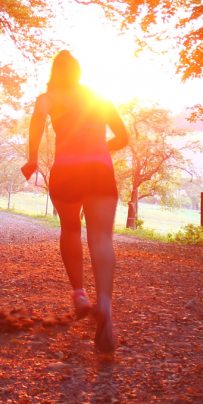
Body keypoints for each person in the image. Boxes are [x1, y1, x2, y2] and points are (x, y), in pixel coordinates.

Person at [21, 50, 129, 354]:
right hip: (99, 169)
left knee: (70, 228)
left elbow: (37, 125)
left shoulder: (48, 97)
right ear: (79, 73)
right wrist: (97, 148)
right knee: (101, 237)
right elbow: (123, 138)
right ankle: (104, 305)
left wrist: (31, 159)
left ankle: (80, 295)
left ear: (55, 72)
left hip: (66, 170)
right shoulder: (99, 98)